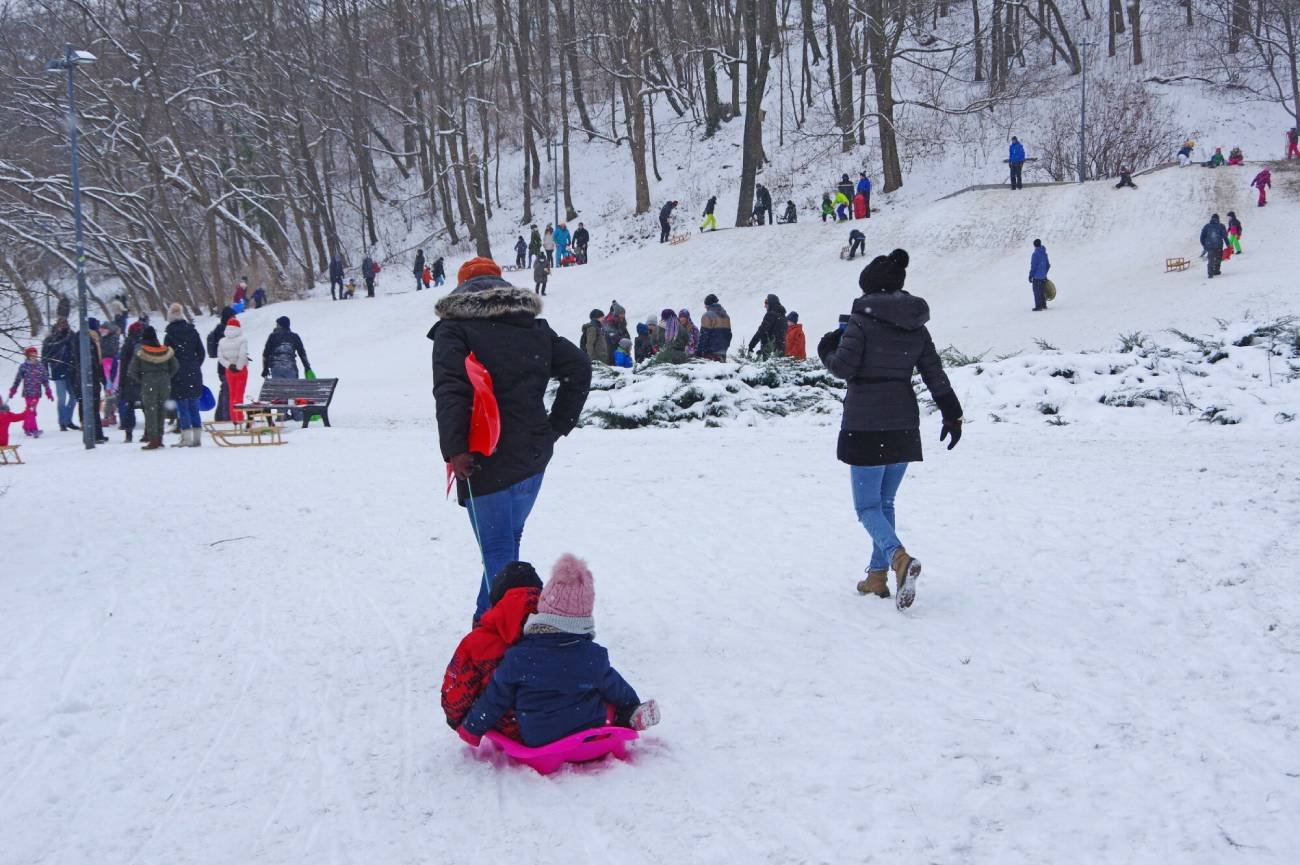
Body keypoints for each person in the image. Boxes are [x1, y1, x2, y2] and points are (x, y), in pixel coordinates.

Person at [430, 257, 592, 621]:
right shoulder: (531, 326)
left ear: (461, 288)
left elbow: (451, 392)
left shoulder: (455, 330)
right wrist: (557, 426)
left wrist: (456, 450)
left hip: (483, 456)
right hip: (533, 453)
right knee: (507, 543)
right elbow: (579, 367)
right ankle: (488, 619)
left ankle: (501, 629)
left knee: (499, 547)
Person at [818, 249, 963, 610]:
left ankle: (899, 559)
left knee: (867, 507)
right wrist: (952, 413)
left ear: (869, 287)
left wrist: (827, 348)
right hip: (902, 422)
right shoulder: (916, 323)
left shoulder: (861, 319)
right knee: (885, 502)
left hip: (865, 422)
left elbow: (843, 367)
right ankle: (877, 577)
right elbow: (934, 373)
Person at [457, 554, 660, 749]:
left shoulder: (519, 657)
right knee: (608, 702)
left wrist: (472, 728)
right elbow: (616, 688)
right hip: (588, 725)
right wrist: (632, 704)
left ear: (543, 607)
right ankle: (627, 717)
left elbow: (495, 698)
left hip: (539, 735)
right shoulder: (592, 656)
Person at [442, 562, 543, 738]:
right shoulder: (558, 628)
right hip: (557, 718)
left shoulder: (477, 642)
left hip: (507, 725)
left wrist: (458, 720)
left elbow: (456, 692)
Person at [128, 325, 178, 451]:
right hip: (164, 383)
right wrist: (166, 376)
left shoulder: (141, 352)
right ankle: (160, 438)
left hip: (148, 383)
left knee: (151, 411)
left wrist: (143, 379)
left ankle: (153, 439)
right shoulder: (165, 351)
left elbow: (132, 371)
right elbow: (175, 366)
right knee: (162, 410)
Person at [164, 303, 205, 447]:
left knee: (182, 406)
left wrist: (172, 370)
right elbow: (201, 352)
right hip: (193, 372)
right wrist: (194, 364)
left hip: (178, 373)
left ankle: (186, 437)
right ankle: (197, 437)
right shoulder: (192, 331)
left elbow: (166, 356)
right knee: (194, 405)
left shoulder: (170, 335)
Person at [69, 318, 107, 443]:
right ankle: (94, 435)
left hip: (88, 377)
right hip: (88, 378)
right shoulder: (86, 340)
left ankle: (95, 434)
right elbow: (93, 361)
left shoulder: (86, 338)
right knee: (91, 406)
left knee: (92, 406)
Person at [41, 317, 78, 430]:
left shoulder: (72, 336)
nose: (63, 326)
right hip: (58, 371)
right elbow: (45, 357)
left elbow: (76, 351)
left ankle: (67, 420)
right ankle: (63, 422)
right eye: (61, 324)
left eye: (64, 324)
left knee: (74, 396)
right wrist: (46, 370)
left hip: (71, 370)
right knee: (62, 398)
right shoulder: (51, 339)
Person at [8, 346, 51, 438]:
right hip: (27, 393)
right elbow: (17, 379)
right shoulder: (24, 366)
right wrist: (13, 390)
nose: (33, 356)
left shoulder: (40, 366)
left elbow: (45, 380)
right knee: (31, 410)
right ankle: (34, 429)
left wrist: (48, 391)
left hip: (37, 393)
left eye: (35, 354)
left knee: (31, 410)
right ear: (27, 356)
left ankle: (26, 426)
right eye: (31, 355)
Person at [205, 305, 237, 422]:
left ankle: (221, 415)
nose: (235, 319)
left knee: (225, 390)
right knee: (227, 391)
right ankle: (224, 416)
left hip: (224, 365)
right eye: (233, 317)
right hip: (226, 366)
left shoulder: (221, 329)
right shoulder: (223, 330)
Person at [217, 317, 251, 424]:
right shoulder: (242, 339)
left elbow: (220, 357)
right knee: (239, 394)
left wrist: (229, 366)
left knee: (232, 394)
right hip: (241, 370)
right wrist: (239, 367)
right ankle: (239, 417)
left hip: (229, 371)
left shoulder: (222, 341)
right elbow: (242, 355)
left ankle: (234, 417)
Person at [117, 321, 143, 442]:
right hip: (144, 378)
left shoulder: (128, 343)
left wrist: (121, 382)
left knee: (129, 406)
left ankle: (129, 433)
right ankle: (148, 432)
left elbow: (123, 364)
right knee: (147, 406)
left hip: (129, 379)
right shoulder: (147, 342)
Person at [262, 316, 311, 381]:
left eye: (277, 324)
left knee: (279, 389)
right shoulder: (294, 336)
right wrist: (307, 367)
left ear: (280, 325)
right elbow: (302, 354)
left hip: (276, 368)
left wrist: (265, 369)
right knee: (291, 389)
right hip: (290, 368)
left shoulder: (273, 336)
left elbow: (266, 354)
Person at [697, 294, 733, 361]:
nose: (705, 307)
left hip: (710, 353)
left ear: (708, 304)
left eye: (705, 305)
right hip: (723, 352)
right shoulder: (726, 316)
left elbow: (704, 336)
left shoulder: (707, 315)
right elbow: (729, 335)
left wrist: (698, 352)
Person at [1027, 238, 1051, 311]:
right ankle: (1043, 305)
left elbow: (1033, 266)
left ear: (1034, 245)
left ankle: (1038, 306)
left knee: (1036, 291)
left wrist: (1031, 275)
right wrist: (1044, 273)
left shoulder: (1035, 255)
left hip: (1037, 277)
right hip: (1043, 276)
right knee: (1042, 290)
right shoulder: (1044, 253)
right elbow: (1047, 265)